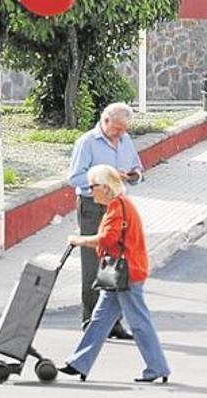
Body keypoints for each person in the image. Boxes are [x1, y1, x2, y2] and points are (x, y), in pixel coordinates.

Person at [60, 165, 170, 382]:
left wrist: (79, 240)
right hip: (120, 272)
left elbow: (106, 239)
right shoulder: (119, 205)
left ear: (106, 187)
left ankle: (158, 367)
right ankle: (79, 363)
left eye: (93, 187)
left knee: (138, 322)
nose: (90, 192)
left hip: (126, 272)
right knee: (100, 320)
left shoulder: (118, 206)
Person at [67, 103, 145, 340]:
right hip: (93, 206)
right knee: (93, 263)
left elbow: (137, 168)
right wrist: (106, 176)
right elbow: (74, 178)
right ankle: (91, 320)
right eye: (118, 129)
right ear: (106, 120)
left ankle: (113, 323)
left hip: (117, 207)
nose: (121, 134)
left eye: (124, 130)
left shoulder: (125, 140)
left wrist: (134, 175)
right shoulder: (87, 142)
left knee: (115, 263)